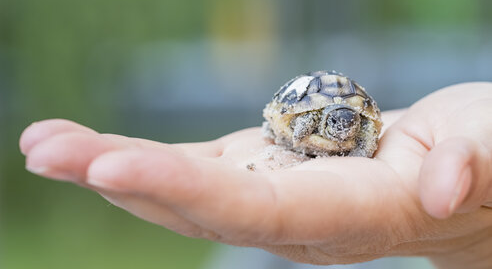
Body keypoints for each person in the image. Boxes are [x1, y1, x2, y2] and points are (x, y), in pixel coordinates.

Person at [19, 82, 492, 269]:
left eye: (350, 124)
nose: (345, 130)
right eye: (338, 123)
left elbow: (365, 132)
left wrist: (474, 244)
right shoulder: (309, 118)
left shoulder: (358, 125)